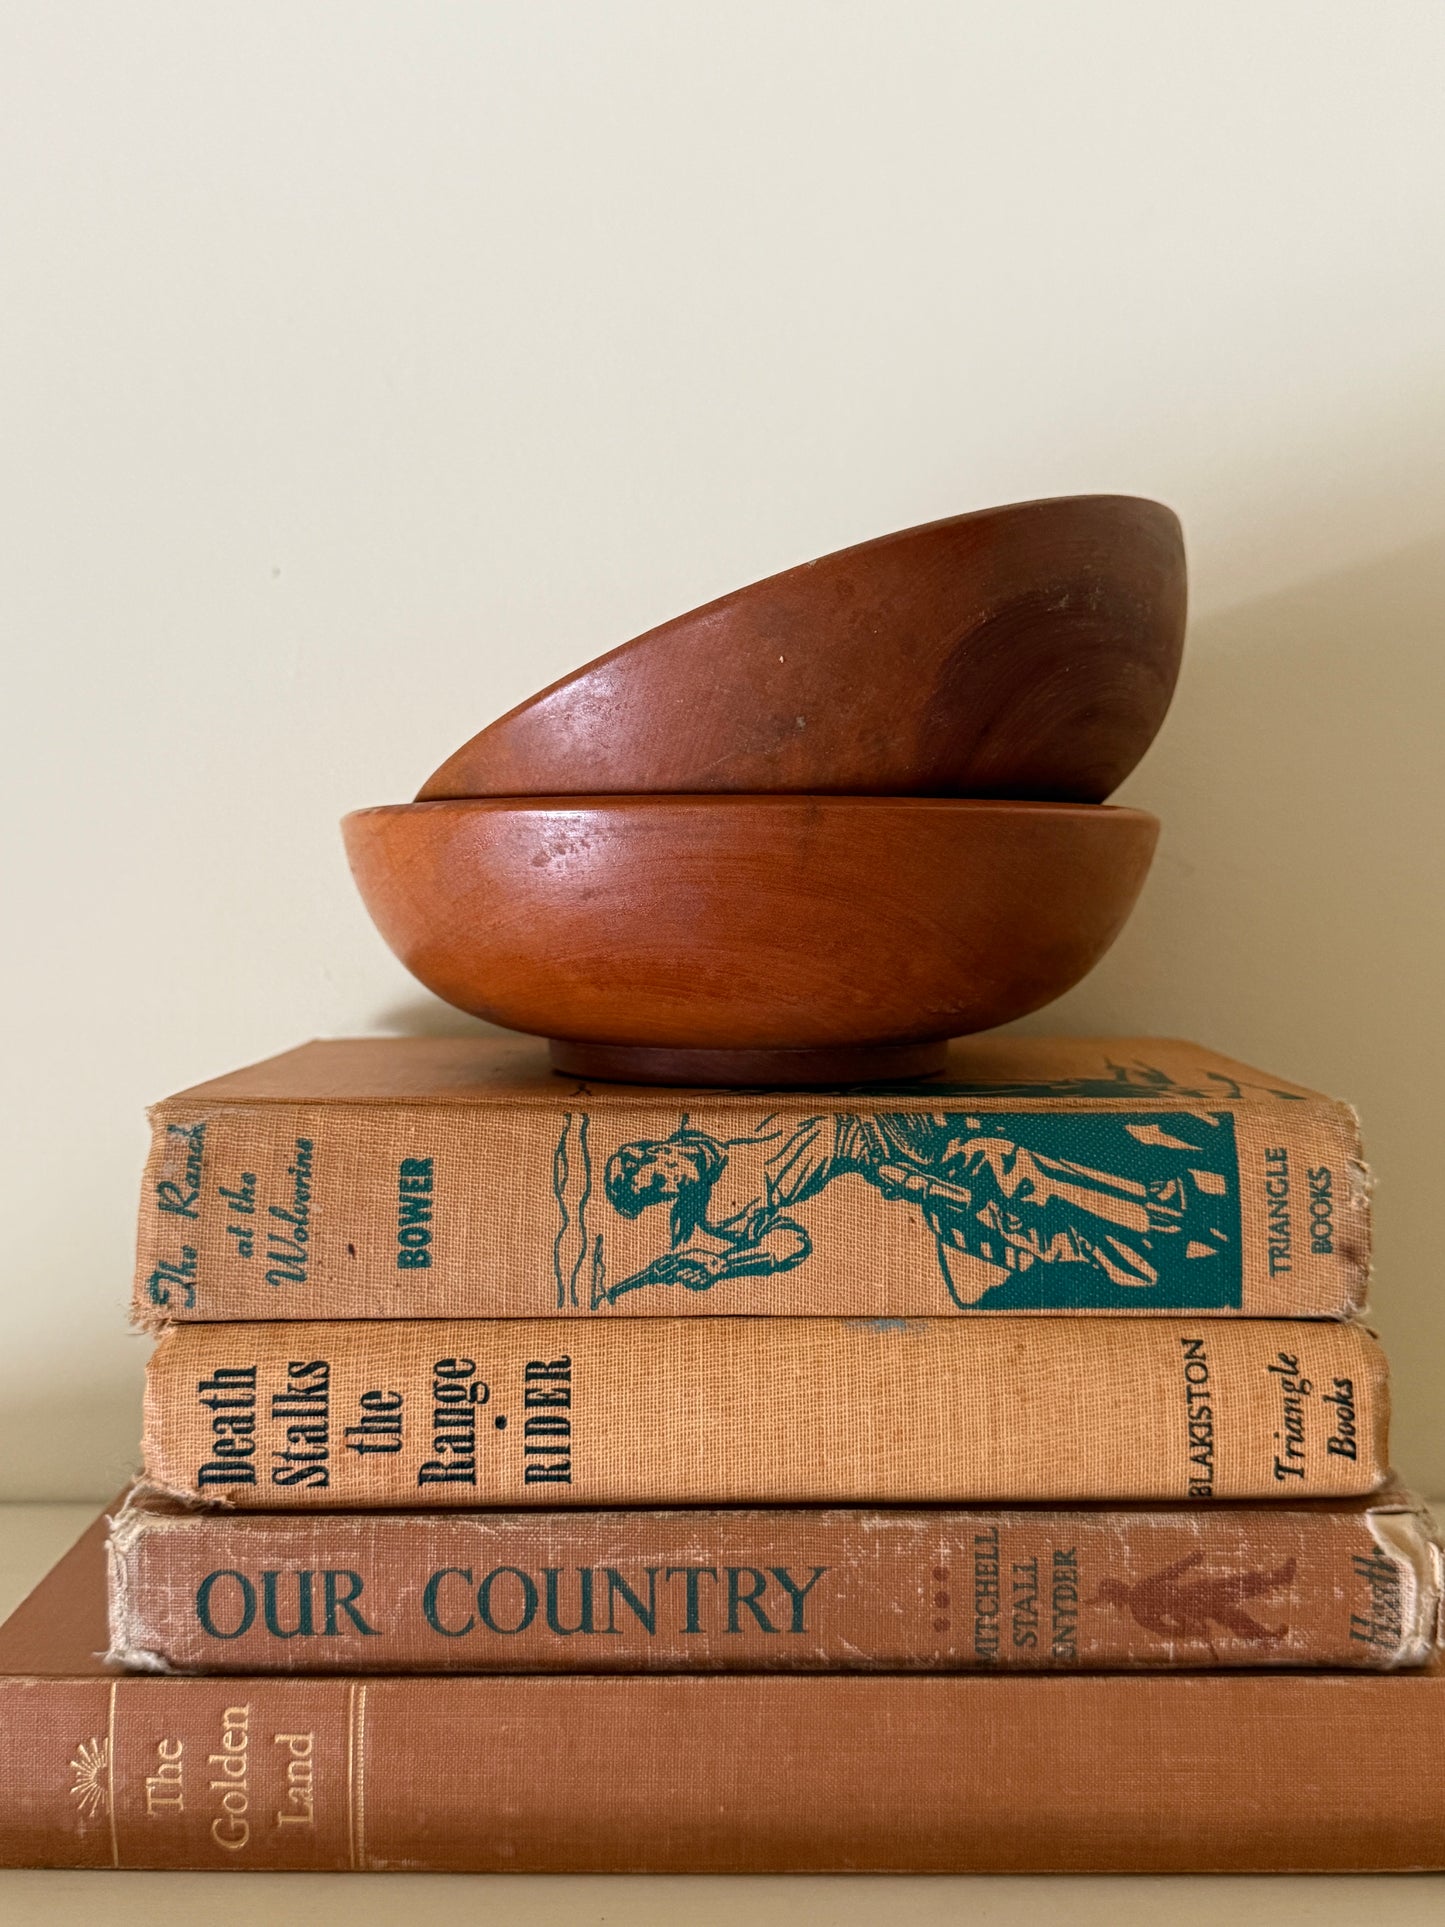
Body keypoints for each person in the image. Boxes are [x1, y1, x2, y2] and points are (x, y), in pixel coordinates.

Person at [601, 1110, 1233, 1305]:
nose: (667, 1183)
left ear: (655, 1148)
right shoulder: (720, 1214)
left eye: (654, 1172)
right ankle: (1155, 1237)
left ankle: (1158, 1220)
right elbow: (791, 1244)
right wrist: (724, 1269)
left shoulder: (704, 1108)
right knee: (1011, 1198)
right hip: (892, 1159)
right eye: (656, 1193)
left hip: (906, 1114)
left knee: (1004, 1163)